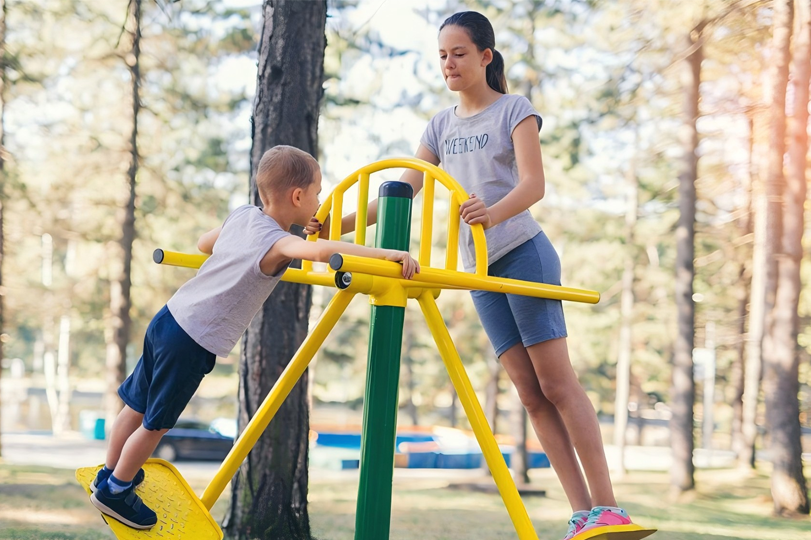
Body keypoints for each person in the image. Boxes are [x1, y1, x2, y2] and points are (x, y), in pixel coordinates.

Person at [306, 11, 633, 540]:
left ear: (485, 56)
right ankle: (582, 514)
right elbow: (404, 187)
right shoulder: (440, 125)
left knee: (556, 382)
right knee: (528, 393)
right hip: (478, 270)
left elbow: (534, 185)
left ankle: (609, 506)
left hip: (523, 251)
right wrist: (333, 226)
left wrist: (492, 213)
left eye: (459, 53)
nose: (449, 64)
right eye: (441, 55)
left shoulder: (514, 110)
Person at [89, 145, 420, 530]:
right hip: (193, 340)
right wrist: (386, 254)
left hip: (169, 318)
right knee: (156, 422)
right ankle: (116, 489)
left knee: (136, 404)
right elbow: (320, 252)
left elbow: (204, 243)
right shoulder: (278, 242)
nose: (318, 200)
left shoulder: (243, 215)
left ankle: (109, 470)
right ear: (298, 197)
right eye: (317, 193)